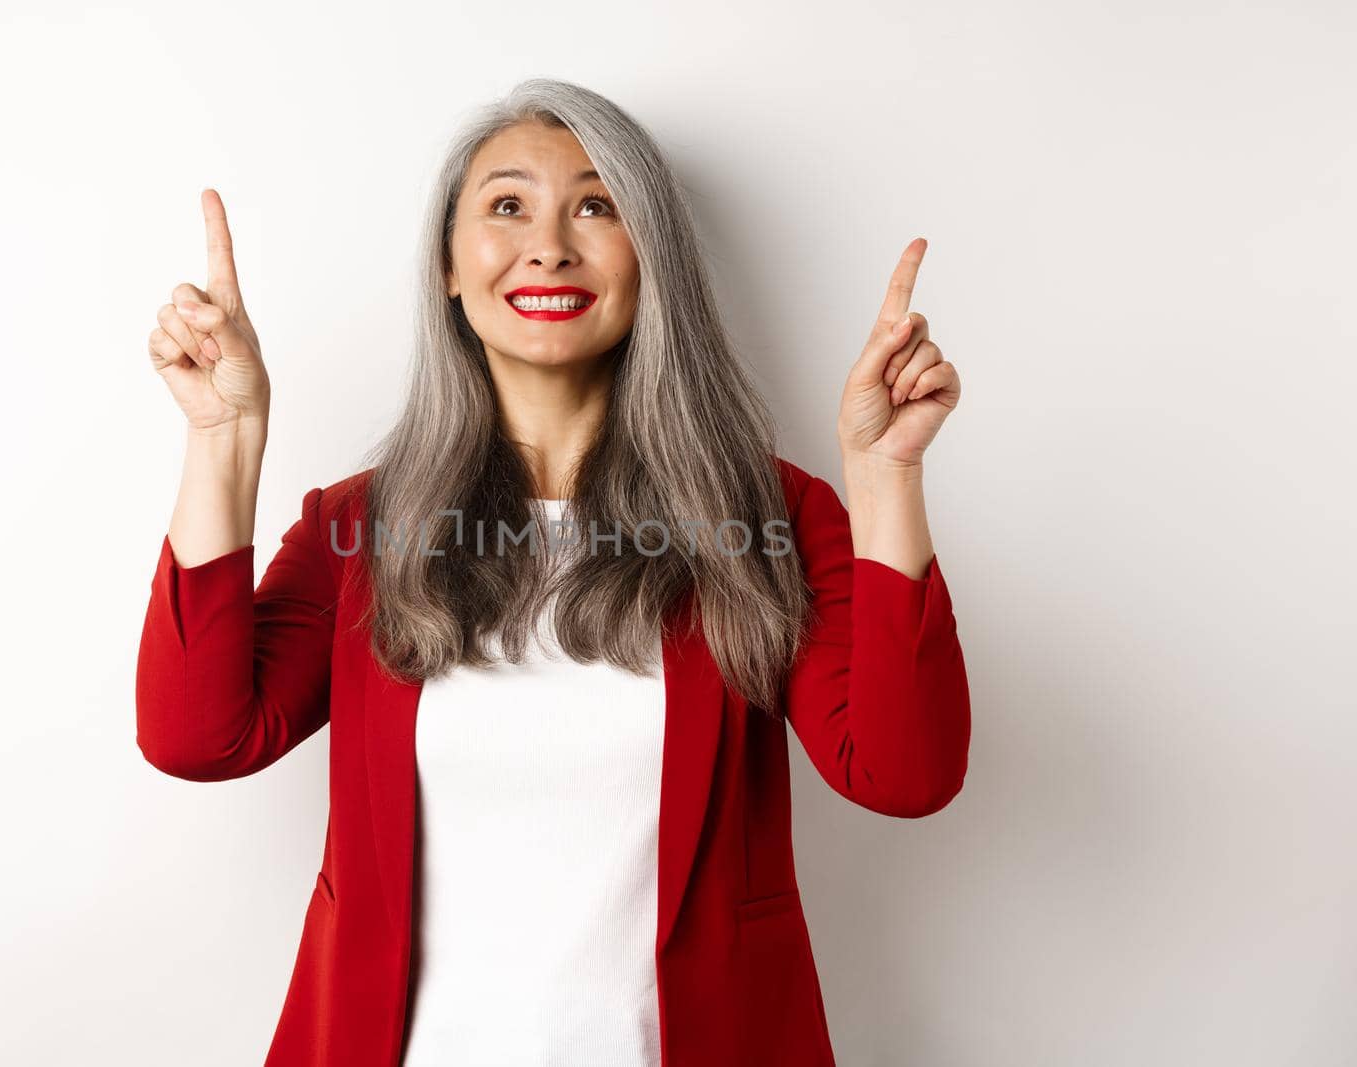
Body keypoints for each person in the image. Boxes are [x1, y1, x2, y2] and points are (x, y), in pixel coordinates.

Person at [137, 78, 970, 1067]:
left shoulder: (769, 518)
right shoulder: (362, 526)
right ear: (448, 264)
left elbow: (902, 771)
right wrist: (224, 440)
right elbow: (199, 736)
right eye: (505, 205)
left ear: (648, 259)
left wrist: (883, 477)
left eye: (595, 204)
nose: (548, 245)